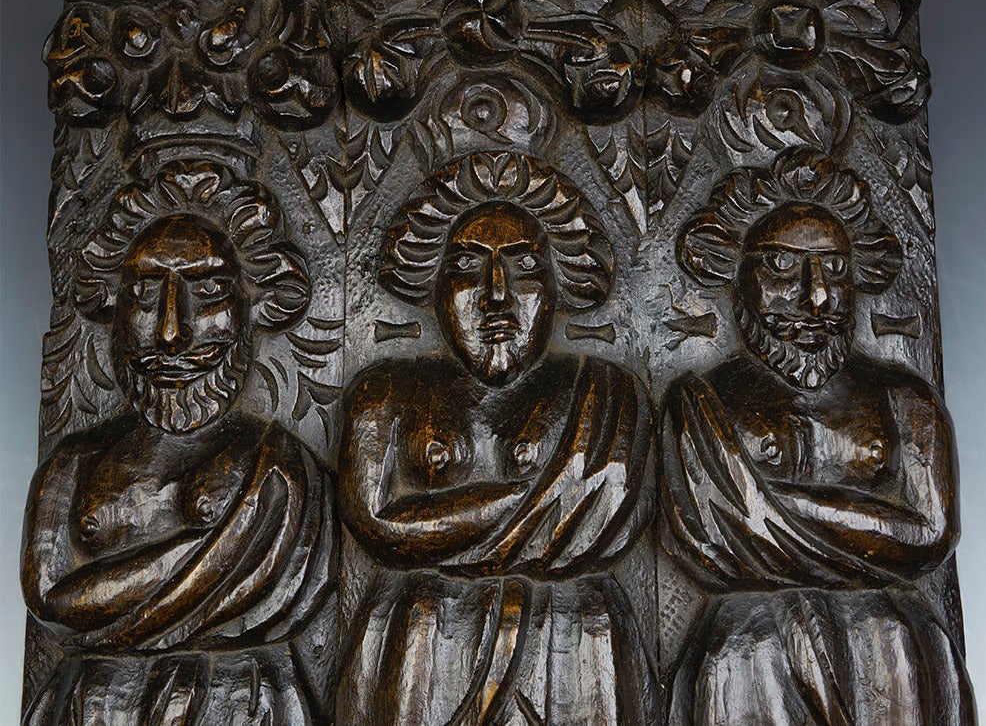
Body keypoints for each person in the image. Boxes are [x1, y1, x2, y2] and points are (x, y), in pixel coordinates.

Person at [336, 152, 659, 725]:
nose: (495, 295)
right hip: (421, 638)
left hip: (576, 642)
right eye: (466, 265)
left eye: (524, 268)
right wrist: (533, 505)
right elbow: (374, 524)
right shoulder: (383, 393)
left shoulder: (608, 395)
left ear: (562, 283)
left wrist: (438, 523)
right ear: (431, 283)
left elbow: (617, 519)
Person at [662, 147, 976, 725]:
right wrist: (870, 529)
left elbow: (931, 534)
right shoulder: (701, 403)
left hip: (890, 645)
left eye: (834, 270)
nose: (817, 298)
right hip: (744, 651)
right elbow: (705, 542)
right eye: (783, 270)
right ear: (738, 277)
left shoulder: (904, 399)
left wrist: (768, 507)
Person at [21, 160, 336, 726]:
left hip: (243, 701)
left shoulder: (281, 468)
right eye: (145, 293)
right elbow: (48, 601)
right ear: (112, 310)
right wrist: (206, 549)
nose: (172, 332)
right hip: (93, 705)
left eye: (208, 289)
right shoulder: (75, 462)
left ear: (251, 305)